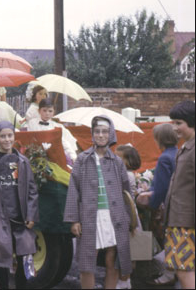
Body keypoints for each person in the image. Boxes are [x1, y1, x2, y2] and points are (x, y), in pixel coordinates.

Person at [64, 115, 132, 289]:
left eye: (105, 132)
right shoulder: (83, 160)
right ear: (92, 134)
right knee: (88, 259)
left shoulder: (117, 162)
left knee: (112, 259)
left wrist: (129, 220)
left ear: (111, 135)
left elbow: (126, 192)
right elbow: (73, 189)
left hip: (114, 217)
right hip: (90, 216)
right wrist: (74, 219)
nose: (101, 135)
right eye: (97, 132)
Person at [0, 121, 39, 289]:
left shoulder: (23, 162)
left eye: (9, 135)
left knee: (24, 254)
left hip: (20, 219)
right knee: (1, 255)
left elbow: (32, 190)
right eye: (2, 136)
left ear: (14, 136)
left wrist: (31, 215)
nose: (7, 139)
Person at [136, 123, 178, 286]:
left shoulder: (165, 158)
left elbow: (161, 188)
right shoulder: (177, 153)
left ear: (159, 139)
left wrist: (150, 203)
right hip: (180, 203)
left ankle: (169, 273)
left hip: (170, 206)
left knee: (169, 239)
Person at [163, 100, 194, 289]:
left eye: (178, 123)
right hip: (179, 222)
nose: (174, 128)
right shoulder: (186, 146)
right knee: (182, 270)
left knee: (184, 271)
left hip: (186, 223)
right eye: (173, 123)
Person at [114, 144, 142, 289]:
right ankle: (126, 280)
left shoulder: (126, 175)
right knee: (131, 250)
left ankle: (124, 281)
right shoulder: (129, 174)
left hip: (127, 214)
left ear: (127, 161)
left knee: (127, 251)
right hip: (129, 212)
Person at [27, 98, 77, 164]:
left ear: (54, 112)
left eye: (50, 111)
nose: (47, 113)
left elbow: (64, 142)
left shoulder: (57, 126)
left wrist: (73, 156)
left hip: (54, 157)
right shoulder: (32, 123)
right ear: (39, 111)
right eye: (44, 111)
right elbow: (30, 139)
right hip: (37, 155)